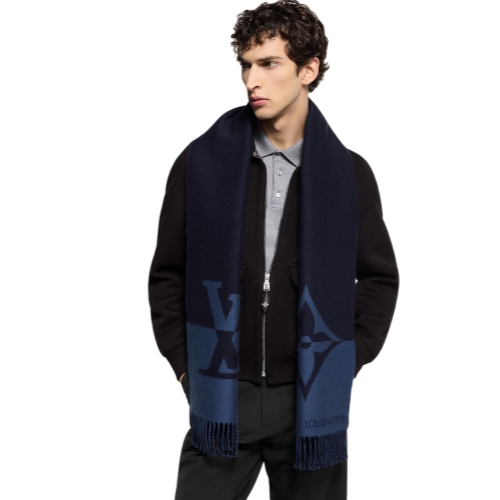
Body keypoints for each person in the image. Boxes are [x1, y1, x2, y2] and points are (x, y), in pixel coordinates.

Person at [148, 1, 399, 498]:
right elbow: (167, 274)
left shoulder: (349, 175)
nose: (251, 81)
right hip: (221, 394)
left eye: (268, 64)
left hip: (310, 397)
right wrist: (184, 366)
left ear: (308, 70)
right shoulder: (200, 163)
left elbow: (378, 277)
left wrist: (349, 357)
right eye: (245, 65)